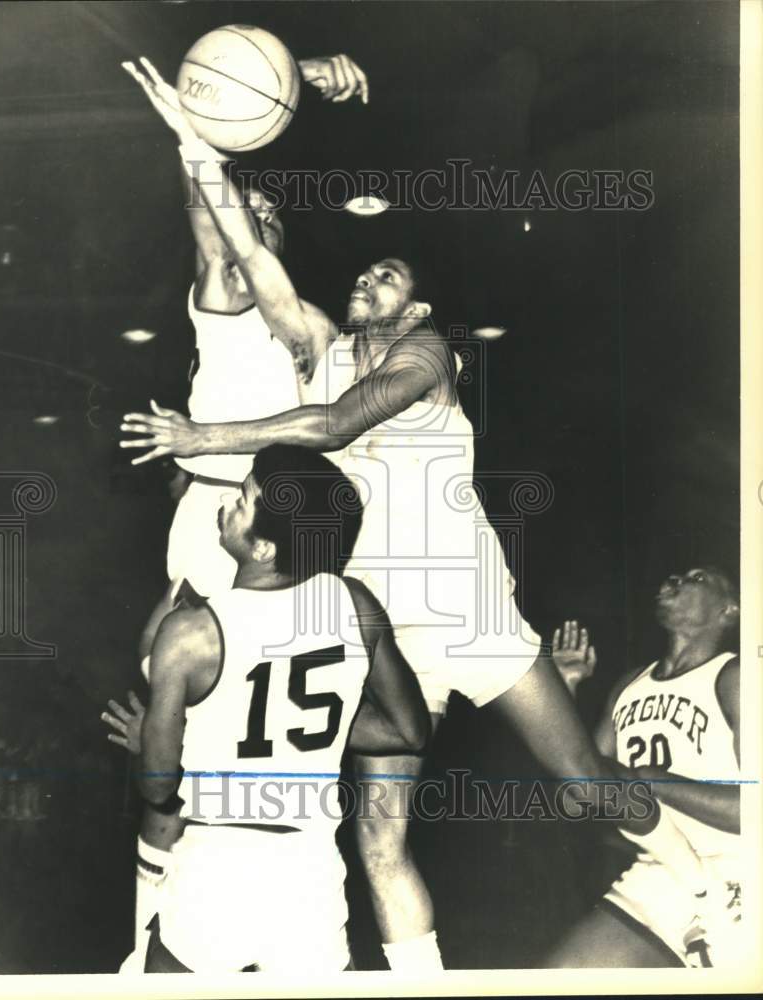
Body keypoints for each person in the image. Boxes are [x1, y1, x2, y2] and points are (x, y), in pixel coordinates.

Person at [118, 58, 712, 973]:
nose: (369, 281)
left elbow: (331, 425)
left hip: (468, 608)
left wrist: (201, 433)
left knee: (584, 782)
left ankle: (698, 850)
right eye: (365, 274)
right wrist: (198, 146)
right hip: (383, 621)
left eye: (389, 276)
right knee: (380, 840)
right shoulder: (320, 343)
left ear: (419, 306)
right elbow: (252, 253)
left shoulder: (430, 356)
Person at [105, 53, 370, 971]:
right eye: (231, 211)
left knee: (241, 709)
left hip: (269, 523)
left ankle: (234, 884)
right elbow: (219, 237)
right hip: (214, 510)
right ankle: (154, 897)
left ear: (282, 235)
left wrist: (197, 440)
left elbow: (246, 244)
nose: (236, 224)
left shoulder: (311, 336)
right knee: (164, 683)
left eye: (258, 215)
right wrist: (194, 135)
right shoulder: (220, 302)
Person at [130, 443, 429, 972]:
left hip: (215, 872)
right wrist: (315, 725)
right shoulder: (354, 604)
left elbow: (157, 787)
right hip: (309, 873)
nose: (227, 504)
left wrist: (156, 740)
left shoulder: (191, 633)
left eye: (242, 499)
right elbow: (409, 732)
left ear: (265, 547)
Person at [546, 566, 741, 968]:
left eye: (698, 577)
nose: (675, 580)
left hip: (741, 871)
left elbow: (751, 811)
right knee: (557, 980)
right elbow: (576, 798)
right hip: (659, 872)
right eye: (674, 576)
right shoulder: (629, 685)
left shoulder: (736, 677)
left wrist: (648, 779)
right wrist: (566, 686)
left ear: (730, 610)